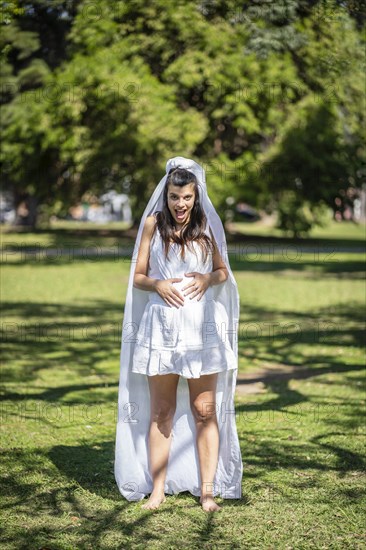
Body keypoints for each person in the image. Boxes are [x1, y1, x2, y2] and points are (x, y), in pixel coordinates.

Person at [114, 156, 243, 512]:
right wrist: (156, 284)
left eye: (186, 197)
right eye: (174, 197)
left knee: (204, 410)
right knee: (162, 411)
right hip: (162, 327)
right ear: (166, 195)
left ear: (195, 195)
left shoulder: (209, 226)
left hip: (202, 327)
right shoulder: (152, 225)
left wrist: (206, 278)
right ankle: (157, 489)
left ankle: (207, 491)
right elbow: (137, 277)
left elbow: (222, 272)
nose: (180, 204)